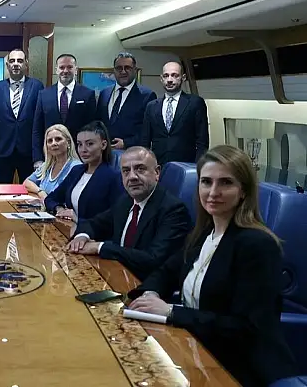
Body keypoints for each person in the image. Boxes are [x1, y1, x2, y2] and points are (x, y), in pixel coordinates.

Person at [127, 145, 298, 387]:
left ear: (243, 191)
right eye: (206, 182)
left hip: (241, 368)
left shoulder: (257, 245)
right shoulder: (203, 234)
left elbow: (247, 329)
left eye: (225, 183)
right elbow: (166, 272)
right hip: (197, 350)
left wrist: (171, 312)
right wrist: (150, 294)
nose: (213, 192)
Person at [66, 147, 191, 280]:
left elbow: (152, 260)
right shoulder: (125, 201)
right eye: (126, 171)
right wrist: (82, 237)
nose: (132, 177)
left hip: (145, 285)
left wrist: (100, 247)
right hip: (117, 274)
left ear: (157, 172)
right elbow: (95, 223)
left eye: (140, 169)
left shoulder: (173, 210)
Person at [44, 121, 123, 222]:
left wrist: (77, 219)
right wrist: (59, 209)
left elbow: (114, 218)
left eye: (90, 144)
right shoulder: (76, 171)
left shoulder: (113, 177)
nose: (83, 149)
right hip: (68, 227)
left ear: (103, 145)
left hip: (91, 231)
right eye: (80, 144)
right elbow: (50, 199)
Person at [0, 49, 44, 183]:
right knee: (3, 189)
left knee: (29, 189)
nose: (16, 64)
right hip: (3, 149)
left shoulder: (37, 86)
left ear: (26, 64)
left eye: (20, 61)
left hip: (28, 150)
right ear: (7, 65)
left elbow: (41, 119)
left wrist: (39, 152)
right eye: (12, 61)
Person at [139, 61, 209, 164]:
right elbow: (145, 141)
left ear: (183, 78)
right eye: (166, 76)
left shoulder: (195, 103)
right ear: (161, 79)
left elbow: (202, 141)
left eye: (174, 75)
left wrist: (198, 167)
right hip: (158, 165)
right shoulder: (152, 106)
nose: (169, 80)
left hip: (186, 165)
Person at [32, 54, 96, 166]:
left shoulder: (87, 94)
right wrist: (38, 159)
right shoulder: (44, 95)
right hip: (50, 157)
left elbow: (92, 128)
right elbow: (37, 129)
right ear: (56, 70)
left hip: (79, 156)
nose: (65, 71)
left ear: (75, 70)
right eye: (62, 67)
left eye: (69, 67)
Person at [95, 52, 157, 150]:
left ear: (135, 70)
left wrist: (126, 143)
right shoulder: (104, 93)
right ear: (114, 70)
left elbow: (149, 130)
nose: (123, 72)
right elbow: (98, 123)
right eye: (119, 68)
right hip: (105, 152)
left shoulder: (147, 95)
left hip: (132, 152)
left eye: (127, 68)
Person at [23, 124, 81, 201]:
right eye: (50, 141)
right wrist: (40, 192)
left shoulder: (77, 167)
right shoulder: (47, 166)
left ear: (68, 142)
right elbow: (27, 183)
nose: (53, 143)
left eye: (58, 139)